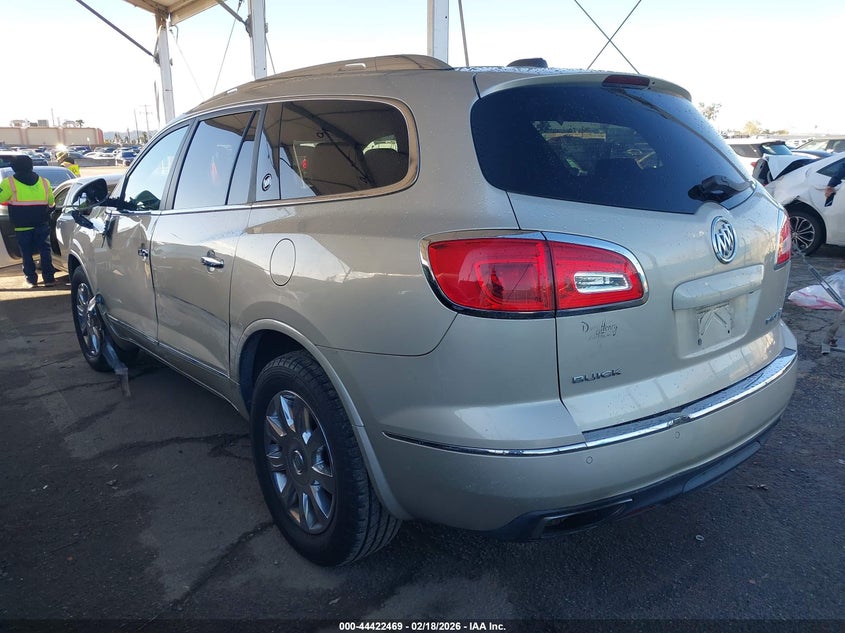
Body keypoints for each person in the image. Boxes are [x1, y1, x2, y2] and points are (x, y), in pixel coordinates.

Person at [0, 155, 57, 288]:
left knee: (26, 253)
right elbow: (51, 202)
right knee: (45, 251)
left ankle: (31, 280)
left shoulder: (9, 183)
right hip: (42, 223)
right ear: (31, 166)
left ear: (14, 168)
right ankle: (49, 279)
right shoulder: (44, 182)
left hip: (22, 226)